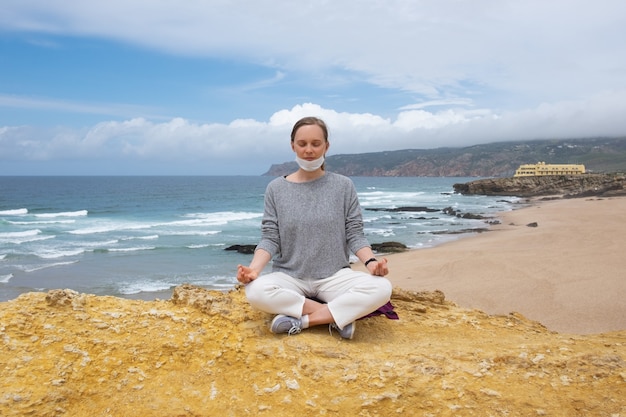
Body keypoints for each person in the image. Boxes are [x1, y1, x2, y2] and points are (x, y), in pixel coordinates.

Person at [236, 116, 392, 339]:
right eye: (302, 144)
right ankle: (336, 317)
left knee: (382, 288)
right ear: (293, 146)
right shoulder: (276, 189)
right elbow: (270, 238)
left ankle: (303, 321)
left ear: (326, 146)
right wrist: (254, 270)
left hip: (334, 276)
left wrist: (371, 263)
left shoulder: (343, 186)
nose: (309, 150)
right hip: (290, 276)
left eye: (315, 144)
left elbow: (354, 234)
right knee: (255, 291)